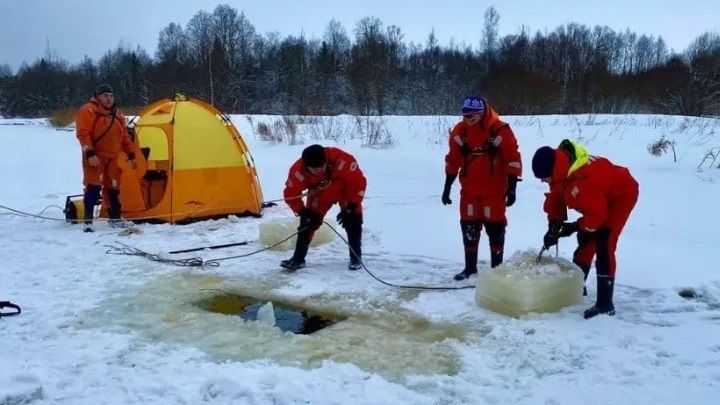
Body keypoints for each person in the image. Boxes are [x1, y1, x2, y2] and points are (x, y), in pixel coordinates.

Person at [532, 139, 639, 319]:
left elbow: (597, 218)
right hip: (597, 200)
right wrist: (554, 224)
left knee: (604, 241)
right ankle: (575, 288)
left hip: (620, 196)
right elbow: (556, 196)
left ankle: (605, 305)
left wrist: (573, 227)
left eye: (544, 177)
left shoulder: (582, 181)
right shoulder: (560, 169)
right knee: (586, 241)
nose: (543, 181)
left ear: (553, 171)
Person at [442, 96, 522, 281]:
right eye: (465, 117)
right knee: (469, 226)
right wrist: (447, 187)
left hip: (494, 192)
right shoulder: (460, 132)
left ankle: (497, 270)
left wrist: (512, 188)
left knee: (495, 228)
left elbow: (512, 158)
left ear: (481, 113)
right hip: (469, 190)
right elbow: (453, 159)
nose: (468, 121)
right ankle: (470, 268)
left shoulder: (500, 131)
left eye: (472, 117)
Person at [280, 144, 367, 271]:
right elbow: (291, 194)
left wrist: (352, 205)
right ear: (306, 166)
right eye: (314, 169)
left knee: (353, 220)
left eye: (322, 166)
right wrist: (303, 212)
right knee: (307, 223)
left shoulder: (343, 160)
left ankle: (356, 259)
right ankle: (298, 259)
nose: (319, 171)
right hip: (319, 195)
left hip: (345, 191)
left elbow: (358, 183)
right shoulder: (298, 171)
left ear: (326, 160)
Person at [75, 83, 136, 232]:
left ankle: (114, 218)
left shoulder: (119, 115)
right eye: (105, 96)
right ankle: (88, 222)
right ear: (97, 96)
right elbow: (83, 134)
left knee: (113, 189)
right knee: (93, 187)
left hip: (113, 158)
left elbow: (124, 138)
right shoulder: (88, 111)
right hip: (96, 157)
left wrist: (131, 154)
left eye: (111, 95)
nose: (109, 99)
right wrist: (89, 153)